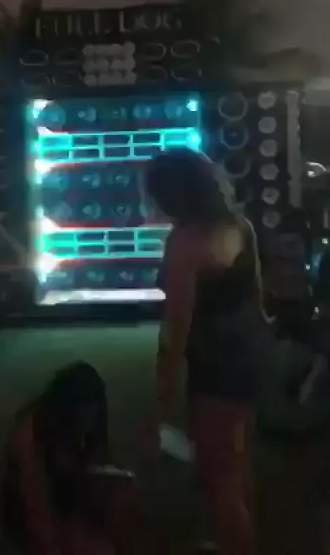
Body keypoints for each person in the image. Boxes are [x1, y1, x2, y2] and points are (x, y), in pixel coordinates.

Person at [146, 148, 268, 555]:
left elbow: (176, 327)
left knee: (220, 478)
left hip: (215, 365)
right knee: (237, 461)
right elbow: (257, 297)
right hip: (249, 352)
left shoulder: (186, 242)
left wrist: (163, 393)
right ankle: (233, 538)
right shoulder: (240, 225)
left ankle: (235, 542)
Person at [1, 361, 140, 555]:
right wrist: (54, 543)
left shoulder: (87, 423)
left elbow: (100, 462)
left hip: (69, 490)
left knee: (123, 494)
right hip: (31, 504)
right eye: (82, 416)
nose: (88, 422)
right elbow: (32, 500)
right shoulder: (30, 434)